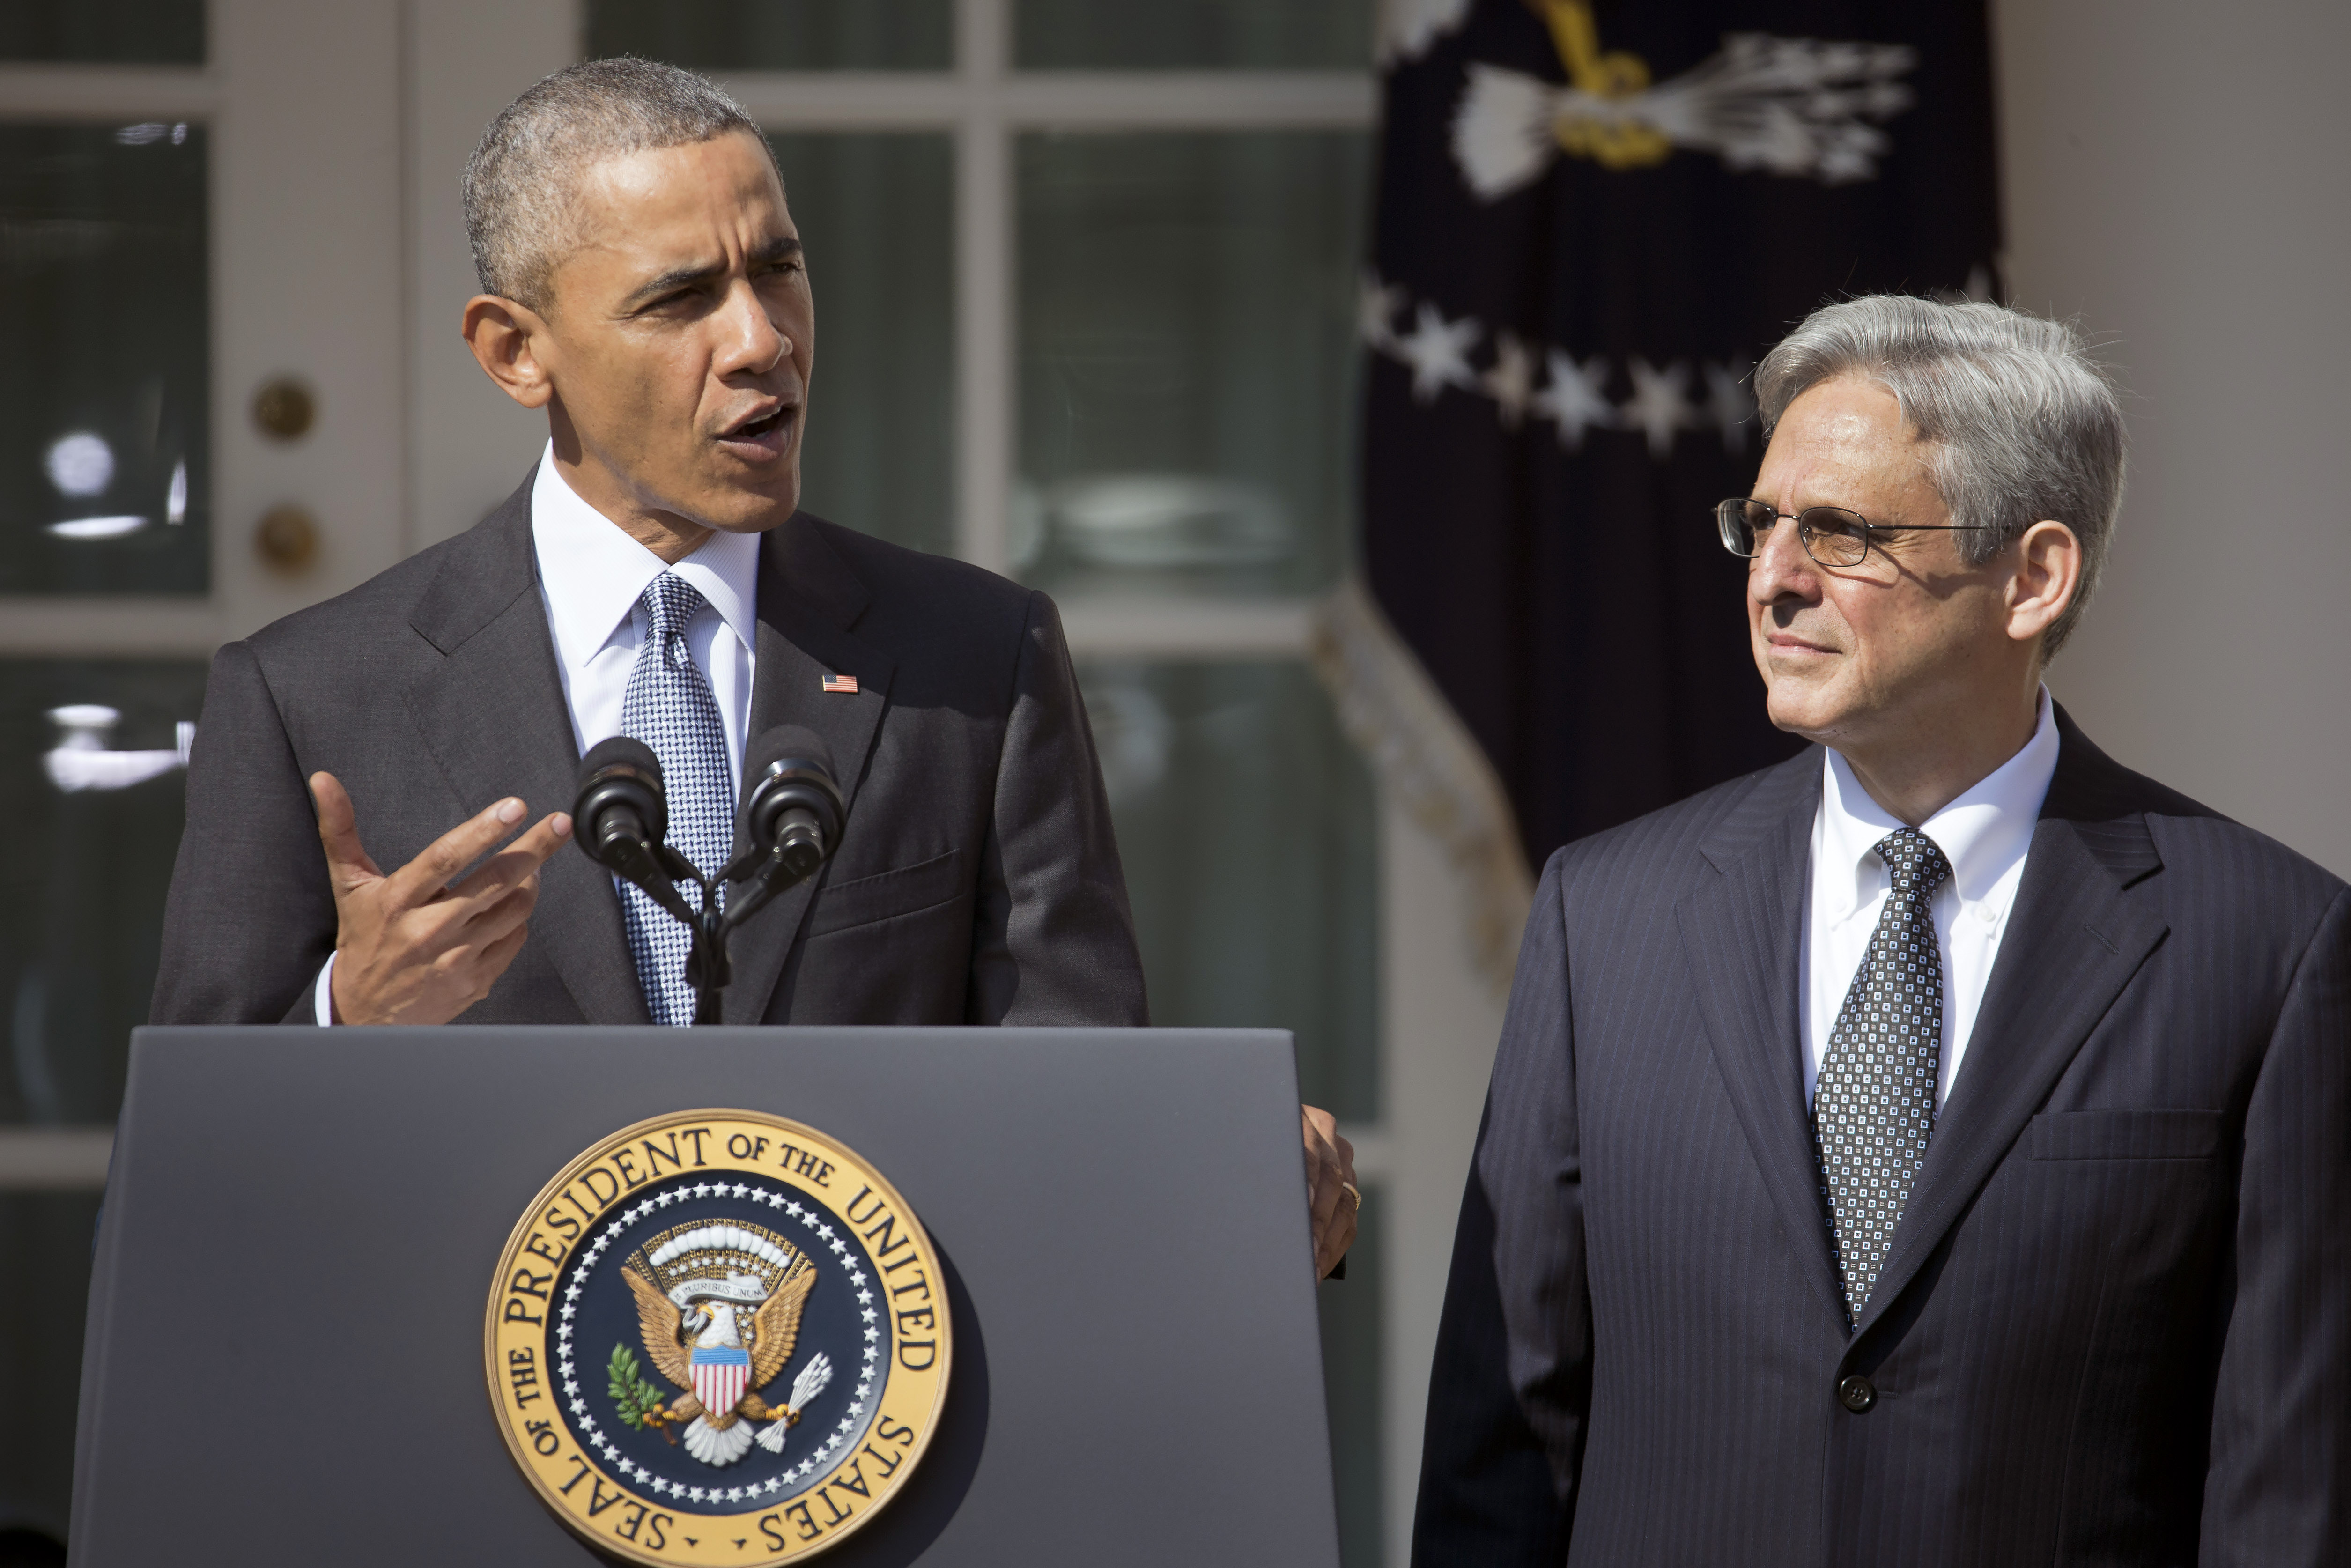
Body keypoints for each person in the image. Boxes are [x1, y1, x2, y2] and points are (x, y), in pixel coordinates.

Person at [148, 58, 1358, 1277]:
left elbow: (1076, 1081)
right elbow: (190, 1184)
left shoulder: (975, 656)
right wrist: (348, 1015)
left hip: (876, 1416)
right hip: (467, 1415)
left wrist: (1220, 1155)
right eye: (681, 299)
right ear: (517, 351)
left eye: (777, 266)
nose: (760, 338)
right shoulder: (310, 692)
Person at [1412, 296, 2346, 1561]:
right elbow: (1498, 1445)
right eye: (1760, 525)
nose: (1774, 579)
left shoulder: (2270, 945)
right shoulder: (1602, 915)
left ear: (2031, 576)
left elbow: (2287, 1490)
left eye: (1839, 534)